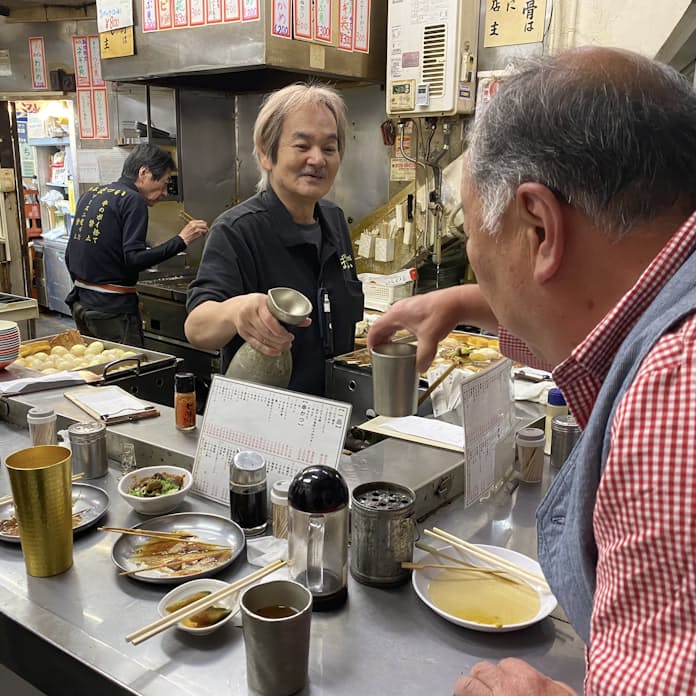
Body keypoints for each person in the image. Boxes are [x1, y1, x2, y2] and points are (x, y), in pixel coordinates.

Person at [368, 47, 696, 695]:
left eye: (472, 242)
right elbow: (587, 315)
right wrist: (466, 301)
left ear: (540, 226)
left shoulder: (673, 394)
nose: (476, 266)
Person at [185, 83, 364, 396]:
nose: (318, 159)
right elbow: (197, 327)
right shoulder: (237, 229)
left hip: (336, 416)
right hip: (267, 423)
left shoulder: (334, 219)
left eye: (329, 148)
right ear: (267, 153)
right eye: (302, 145)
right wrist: (235, 311)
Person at [65, 144, 207, 346]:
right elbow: (133, 259)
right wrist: (181, 240)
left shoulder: (91, 194)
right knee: (128, 372)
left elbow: (71, 254)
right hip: (112, 310)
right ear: (144, 172)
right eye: (165, 183)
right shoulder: (133, 200)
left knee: (99, 373)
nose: (165, 192)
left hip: (81, 304)